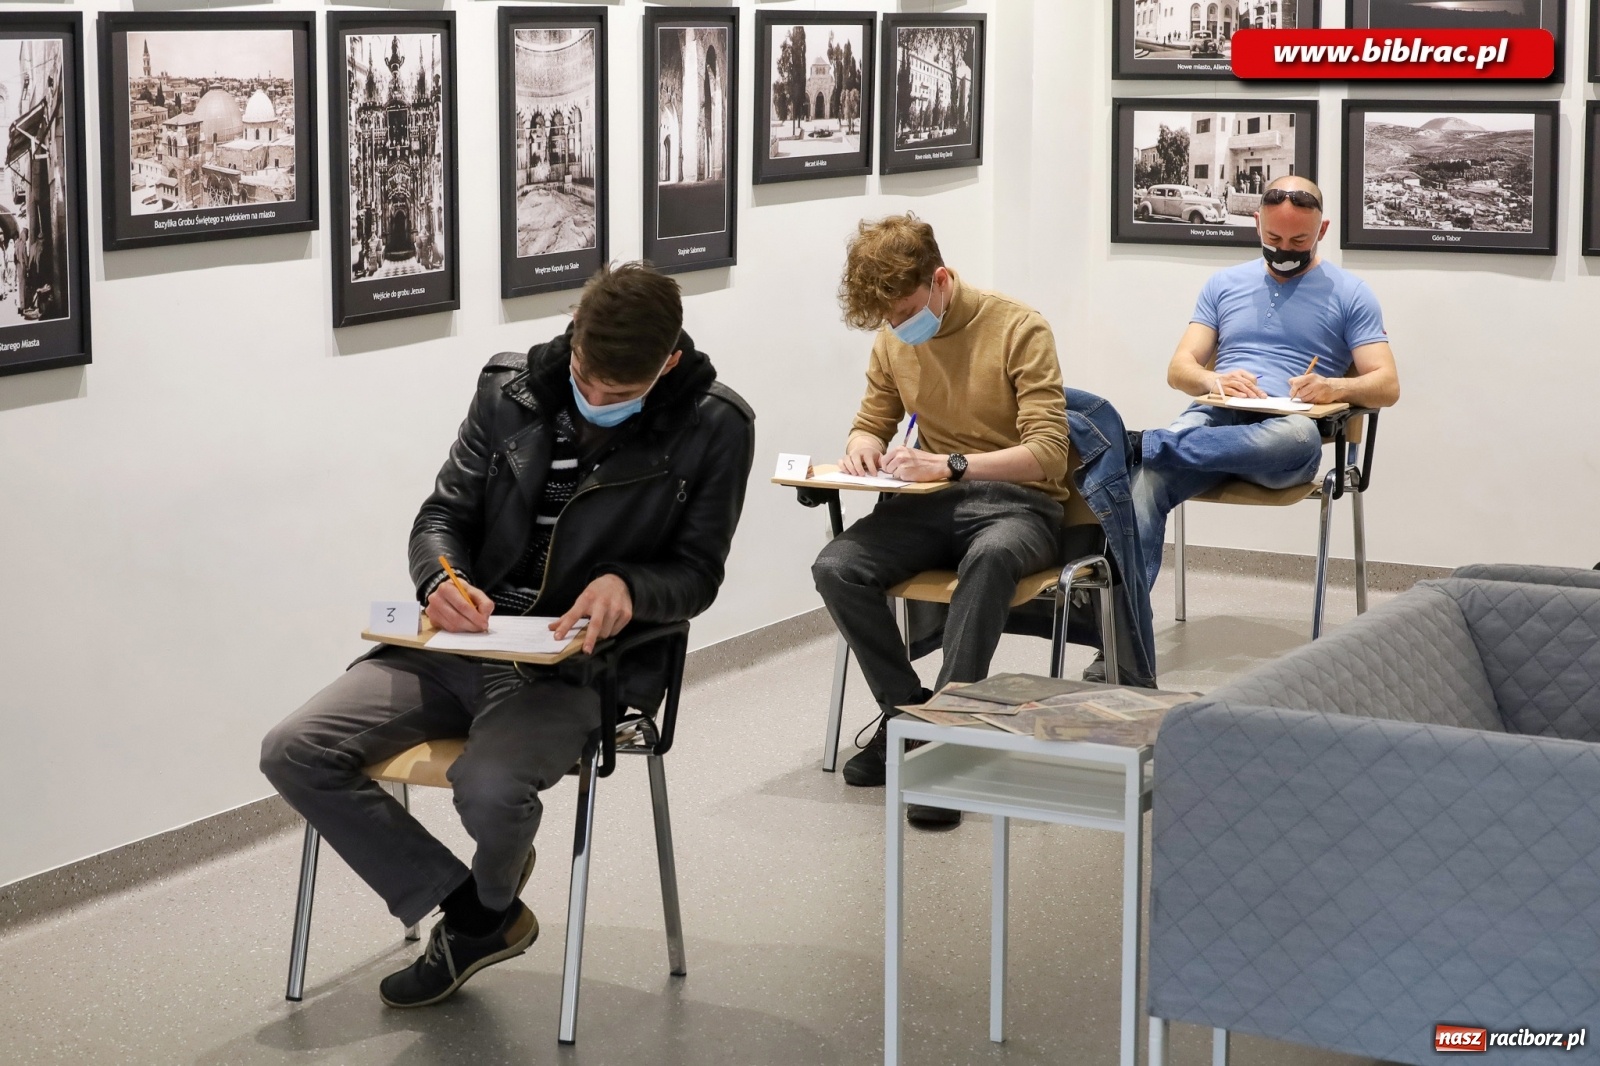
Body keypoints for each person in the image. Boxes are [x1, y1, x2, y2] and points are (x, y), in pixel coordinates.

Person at [260, 262, 755, 1008]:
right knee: (294, 748)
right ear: (572, 335)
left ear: (669, 363)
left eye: (620, 395)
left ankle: (479, 911)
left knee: (487, 787)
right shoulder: (509, 389)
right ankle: (477, 913)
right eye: (587, 376)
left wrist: (629, 587)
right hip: (464, 644)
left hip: (584, 666)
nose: (595, 400)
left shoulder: (717, 426)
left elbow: (698, 573)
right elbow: (442, 516)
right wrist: (441, 580)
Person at [811, 213, 1074, 829]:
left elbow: (1049, 455)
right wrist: (860, 446)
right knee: (837, 567)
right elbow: (871, 418)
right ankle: (908, 713)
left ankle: (953, 735)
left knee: (990, 558)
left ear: (940, 279)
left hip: (1020, 503)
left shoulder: (1018, 327)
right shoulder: (892, 336)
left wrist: (952, 465)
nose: (899, 329)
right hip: (930, 503)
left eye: (905, 313)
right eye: (888, 321)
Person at [1131, 176, 1400, 587]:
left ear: (1322, 231)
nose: (1284, 251)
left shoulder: (1351, 293)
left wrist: (1335, 387)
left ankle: (1151, 445)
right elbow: (1179, 369)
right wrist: (1213, 379)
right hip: (1218, 415)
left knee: (1299, 440)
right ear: (1256, 223)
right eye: (1274, 237)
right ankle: (1121, 642)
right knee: (1144, 484)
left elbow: (1387, 385)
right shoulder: (1223, 285)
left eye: (1298, 241)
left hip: (1281, 440)